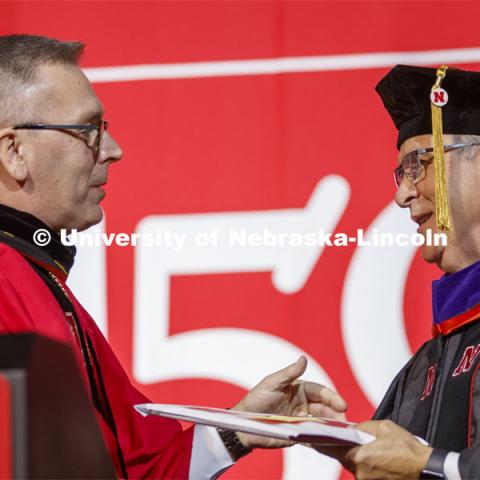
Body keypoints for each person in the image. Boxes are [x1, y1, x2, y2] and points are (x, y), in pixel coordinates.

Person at [0, 34, 348, 479]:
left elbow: (138, 471)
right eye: (90, 131)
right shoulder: (13, 278)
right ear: (15, 152)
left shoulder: (43, 281)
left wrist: (238, 429)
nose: (112, 150)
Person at [318, 65, 480, 479]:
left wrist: (429, 467)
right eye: (402, 172)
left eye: (417, 165)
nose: (402, 194)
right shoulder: (425, 364)